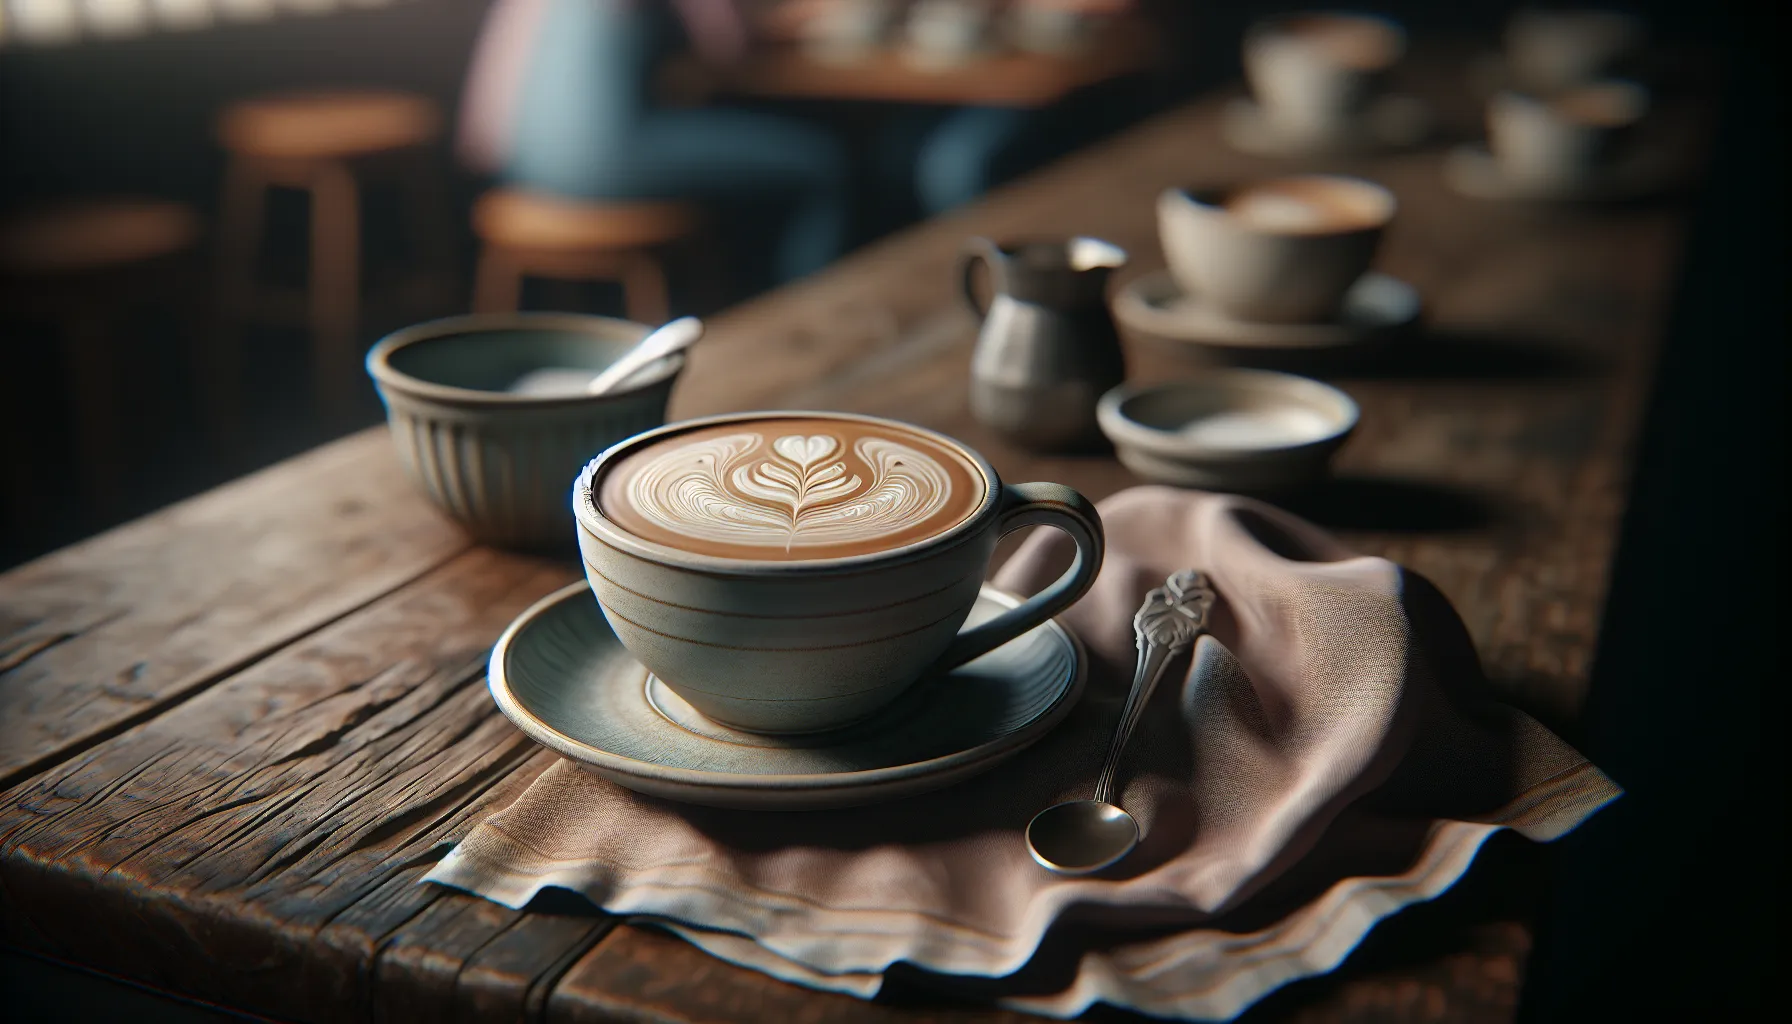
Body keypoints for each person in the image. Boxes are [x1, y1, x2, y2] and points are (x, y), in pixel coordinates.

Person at [459, 0, 852, 288]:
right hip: (608, 164)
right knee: (821, 163)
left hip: (525, 167)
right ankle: (806, 312)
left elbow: (488, 107)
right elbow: (727, 46)